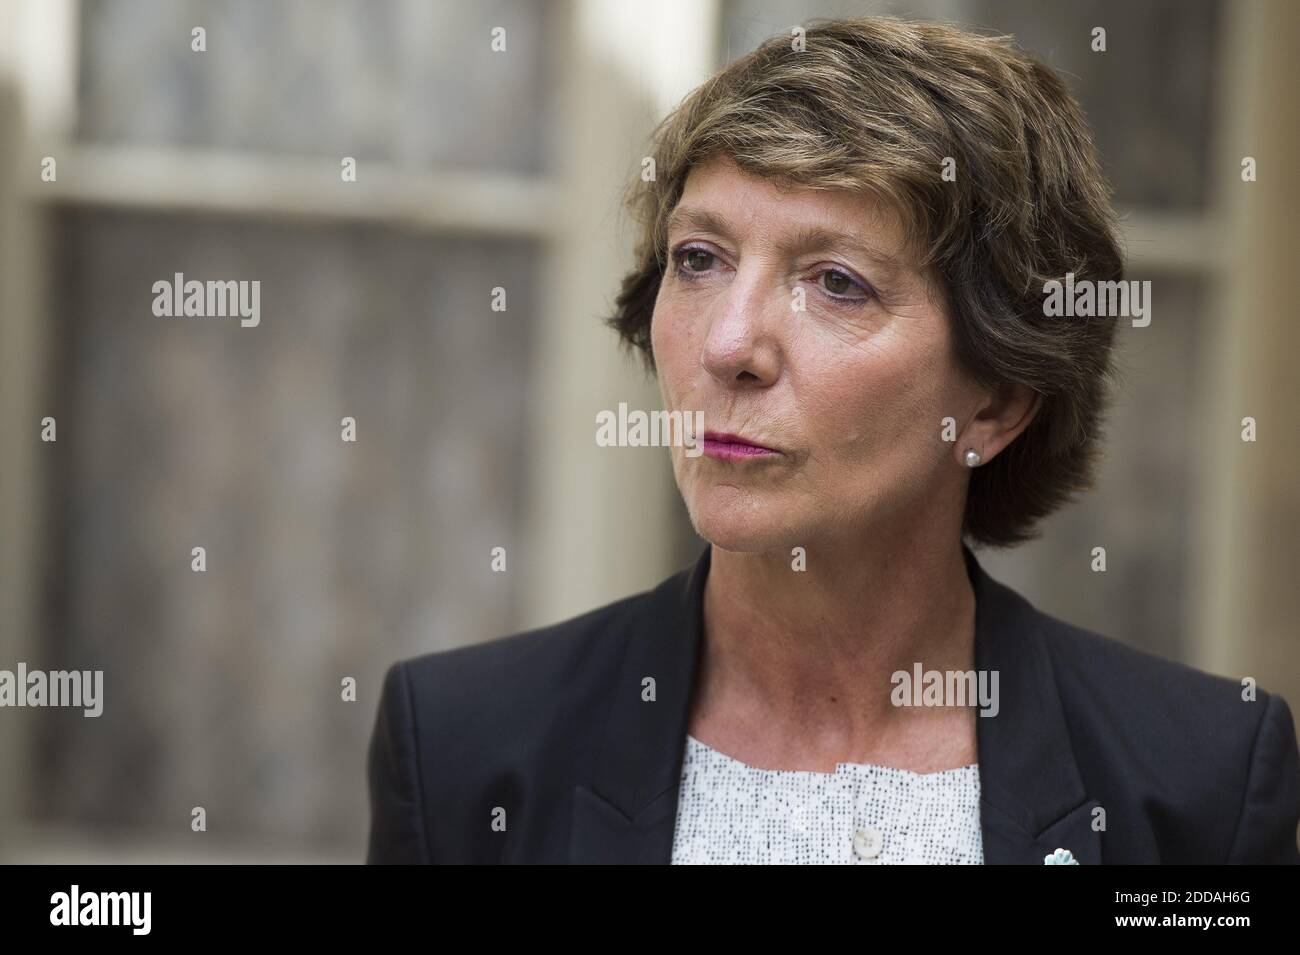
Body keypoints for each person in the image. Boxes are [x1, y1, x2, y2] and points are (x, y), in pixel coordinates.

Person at [366, 15, 1300, 864]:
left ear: (998, 402)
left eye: (837, 282)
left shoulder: (1200, 782)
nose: (729, 345)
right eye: (700, 259)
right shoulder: (464, 748)